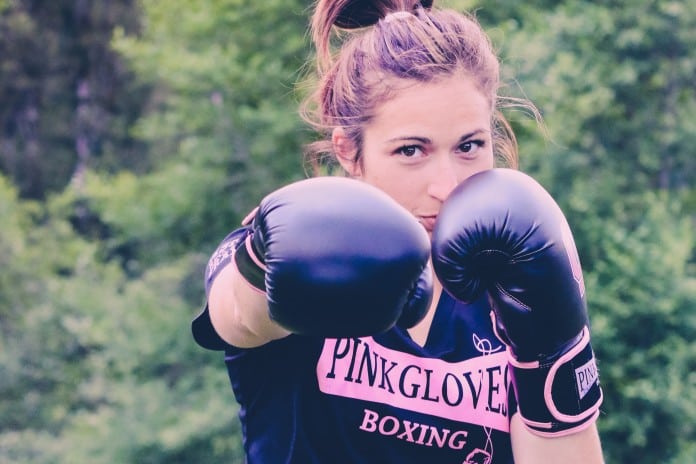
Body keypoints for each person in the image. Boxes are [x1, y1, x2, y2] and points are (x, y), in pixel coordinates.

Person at [192, 0, 606, 462]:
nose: (447, 186)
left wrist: (555, 344)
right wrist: (265, 259)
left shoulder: (514, 279)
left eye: (470, 145)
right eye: (411, 150)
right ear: (349, 152)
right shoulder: (302, 245)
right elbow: (237, 317)